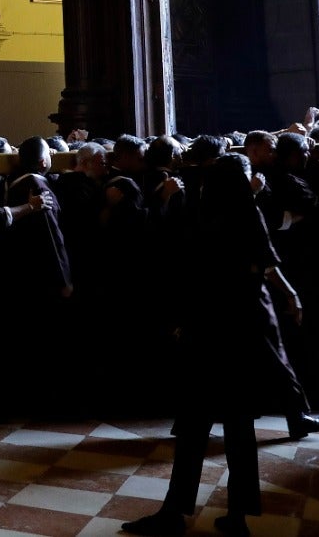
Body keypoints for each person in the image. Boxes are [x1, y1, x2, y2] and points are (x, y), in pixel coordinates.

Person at [123, 154, 307, 537]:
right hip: (242, 334)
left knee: (193, 429)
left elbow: (189, 276)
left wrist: (182, 323)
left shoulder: (201, 216)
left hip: (206, 335)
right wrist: (290, 294)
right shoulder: (248, 213)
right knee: (240, 430)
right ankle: (237, 515)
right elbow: (266, 263)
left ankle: (174, 512)